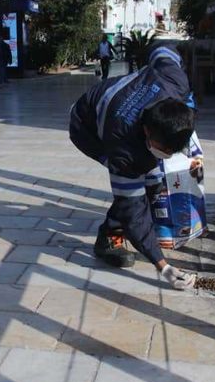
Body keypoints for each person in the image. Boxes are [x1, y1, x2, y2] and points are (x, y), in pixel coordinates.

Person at [70, 41, 198, 290]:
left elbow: (163, 47)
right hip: (87, 128)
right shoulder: (124, 151)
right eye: (164, 149)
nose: (167, 155)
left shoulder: (174, 81)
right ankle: (109, 239)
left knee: (154, 183)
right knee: (135, 193)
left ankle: (142, 227)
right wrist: (164, 267)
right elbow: (132, 210)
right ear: (147, 132)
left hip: (129, 120)